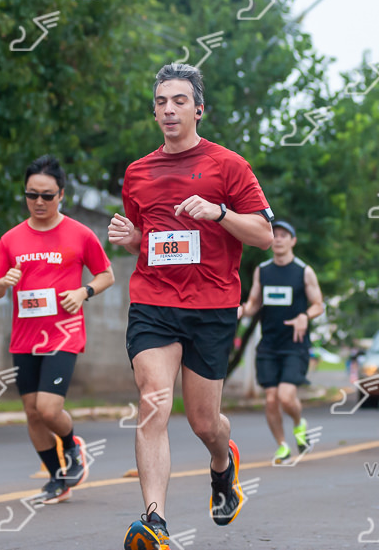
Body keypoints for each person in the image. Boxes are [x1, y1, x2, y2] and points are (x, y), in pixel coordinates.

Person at [107, 63, 274, 550]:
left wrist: (219, 212)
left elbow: (264, 235)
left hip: (211, 306)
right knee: (152, 402)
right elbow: (148, 240)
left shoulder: (229, 165)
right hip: (153, 302)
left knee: (204, 422)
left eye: (179, 101)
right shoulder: (138, 172)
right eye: (161, 102)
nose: (169, 109)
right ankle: (154, 521)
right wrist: (129, 237)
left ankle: (223, 465)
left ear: (199, 109)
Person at [0, 155, 115, 504]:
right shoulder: (11, 239)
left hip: (64, 333)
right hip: (24, 337)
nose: (39, 202)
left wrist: (83, 292)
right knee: (31, 412)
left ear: (61, 195)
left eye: (47, 195)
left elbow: (107, 275)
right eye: (32, 194)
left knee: (47, 409)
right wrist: (3, 282)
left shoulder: (80, 234)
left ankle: (72, 446)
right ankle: (58, 478)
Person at [239, 220, 326, 464]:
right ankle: (282, 446)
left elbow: (318, 305)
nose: (278, 239)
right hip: (268, 345)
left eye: (283, 235)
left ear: (293, 241)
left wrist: (304, 316)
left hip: (294, 345)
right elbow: (254, 303)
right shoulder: (262, 270)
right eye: (274, 234)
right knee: (270, 399)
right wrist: (241, 310)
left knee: (286, 397)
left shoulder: (303, 271)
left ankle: (299, 423)